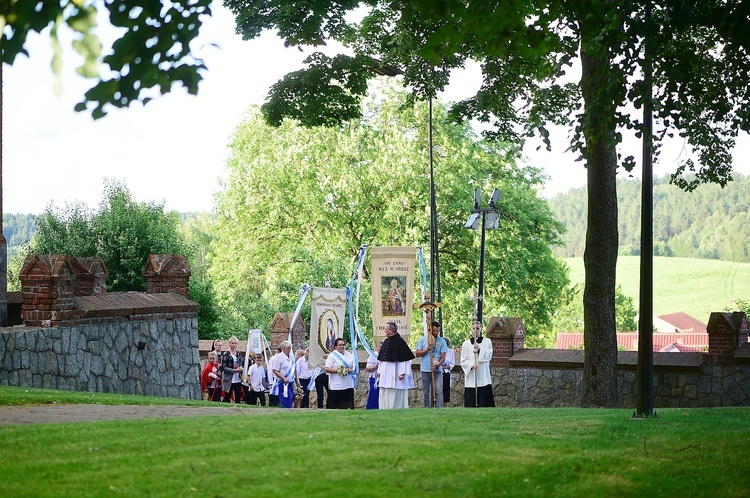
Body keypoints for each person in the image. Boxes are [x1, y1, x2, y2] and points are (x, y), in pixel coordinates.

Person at [376, 321, 415, 409]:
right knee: (384, 391)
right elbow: (382, 359)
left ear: (392, 330)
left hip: (396, 373)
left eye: (386, 329)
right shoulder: (386, 341)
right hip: (385, 374)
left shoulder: (400, 342)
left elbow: (404, 359)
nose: (385, 331)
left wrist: (402, 373)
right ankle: (384, 408)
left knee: (396, 393)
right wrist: (379, 371)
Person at [460, 321, 495, 407]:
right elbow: (463, 359)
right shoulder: (466, 344)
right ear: (471, 330)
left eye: (477, 328)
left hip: (483, 375)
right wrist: (471, 365)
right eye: (473, 328)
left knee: (484, 399)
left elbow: (488, 355)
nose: (475, 330)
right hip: (472, 376)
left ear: (481, 329)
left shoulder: (487, 342)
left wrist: (479, 349)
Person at [415, 321, 448, 408]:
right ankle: (426, 408)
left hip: (437, 370)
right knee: (426, 391)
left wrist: (437, 366)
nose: (436, 333)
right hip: (425, 369)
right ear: (430, 330)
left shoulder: (442, 341)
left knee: (439, 390)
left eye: (437, 331)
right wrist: (427, 349)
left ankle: (440, 408)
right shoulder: (422, 340)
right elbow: (417, 354)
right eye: (434, 331)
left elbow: (443, 357)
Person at [325, 338, 356, 409]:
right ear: (335, 346)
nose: (342, 346)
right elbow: (327, 368)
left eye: (343, 345)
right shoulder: (332, 356)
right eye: (340, 345)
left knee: (348, 402)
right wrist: (339, 371)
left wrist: (351, 370)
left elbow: (353, 366)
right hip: (337, 384)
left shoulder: (349, 354)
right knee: (336, 403)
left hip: (348, 383)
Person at [271, 341, 295, 409]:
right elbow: (275, 370)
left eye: (290, 348)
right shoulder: (279, 357)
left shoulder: (291, 357)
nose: (289, 350)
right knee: (285, 398)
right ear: (283, 348)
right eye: (287, 348)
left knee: (290, 398)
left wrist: (297, 381)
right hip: (283, 382)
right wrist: (283, 378)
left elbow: (294, 369)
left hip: (291, 382)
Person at [221, 336, 244, 403]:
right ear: (229, 343)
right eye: (232, 343)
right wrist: (234, 370)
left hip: (238, 378)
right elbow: (223, 367)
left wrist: (240, 369)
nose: (234, 345)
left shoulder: (238, 353)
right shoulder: (226, 354)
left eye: (235, 343)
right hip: (229, 378)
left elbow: (240, 363)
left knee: (238, 396)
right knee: (227, 396)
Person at [365, 342, 382, 409]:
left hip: (383, 379)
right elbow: (368, 368)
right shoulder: (373, 356)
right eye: (380, 347)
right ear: (376, 347)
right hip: (374, 379)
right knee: (374, 395)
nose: (381, 349)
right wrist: (375, 366)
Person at [442, 338, 456, 406]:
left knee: (446, 390)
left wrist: (447, 367)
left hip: (446, 372)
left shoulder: (451, 352)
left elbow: (452, 363)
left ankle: (445, 405)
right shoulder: (438, 351)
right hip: (439, 372)